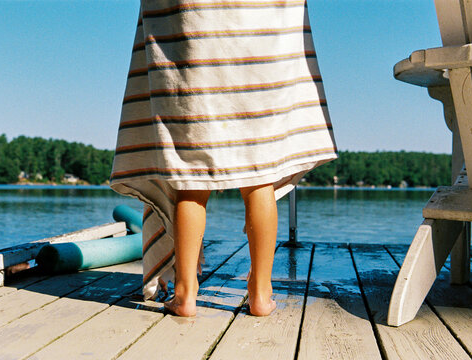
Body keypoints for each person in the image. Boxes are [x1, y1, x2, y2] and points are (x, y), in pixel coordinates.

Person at [110, 1, 337, 317]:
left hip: (194, 29)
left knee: (190, 176)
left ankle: (186, 294)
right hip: (260, 38)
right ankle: (260, 293)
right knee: (260, 175)